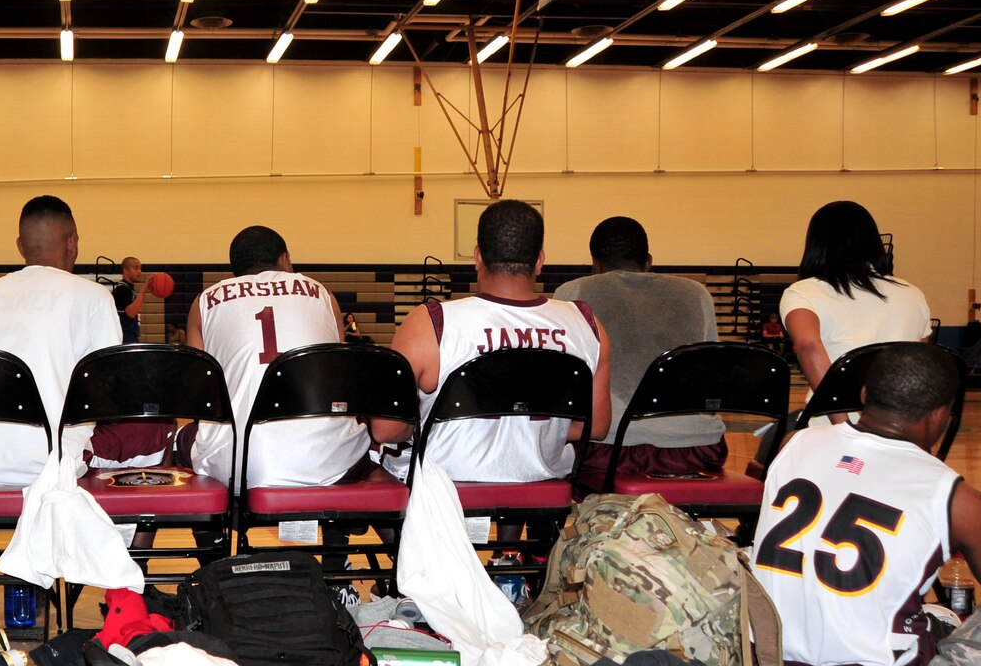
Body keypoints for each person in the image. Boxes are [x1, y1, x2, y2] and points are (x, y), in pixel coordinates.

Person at [751, 343, 981, 666]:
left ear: (864, 396)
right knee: (977, 641)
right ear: (940, 415)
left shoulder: (794, 444)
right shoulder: (964, 504)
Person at [384, 200, 611, 483]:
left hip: (445, 483)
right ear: (539, 261)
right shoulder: (587, 324)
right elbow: (597, 426)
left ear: (477, 257)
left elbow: (386, 429)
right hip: (539, 477)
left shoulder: (430, 322)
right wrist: (526, 429)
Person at [0, 195, 122, 486]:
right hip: (47, 462)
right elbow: (108, 396)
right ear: (73, 242)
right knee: (156, 430)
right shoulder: (94, 296)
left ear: (20, 246)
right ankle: (114, 531)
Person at [179, 226, 369, 490]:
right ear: (284, 259)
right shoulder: (322, 294)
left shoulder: (204, 302)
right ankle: (339, 528)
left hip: (238, 465)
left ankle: (212, 530)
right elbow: (341, 379)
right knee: (368, 442)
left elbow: (198, 397)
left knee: (181, 438)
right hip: (328, 461)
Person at [555, 216, 725, 491]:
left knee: (550, 441)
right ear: (648, 261)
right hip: (696, 447)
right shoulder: (697, 294)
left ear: (595, 265)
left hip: (610, 450)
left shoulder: (574, 293)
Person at [779, 201, 931, 391]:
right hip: (900, 415)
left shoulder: (802, 292)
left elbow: (808, 346)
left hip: (833, 415)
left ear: (816, 244)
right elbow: (919, 362)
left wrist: (839, 418)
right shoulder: (913, 294)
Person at [112, 256, 147, 343]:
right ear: (126, 271)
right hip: (124, 336)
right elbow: (131, 313)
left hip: (130, 335)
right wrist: (144, 290)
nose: (139, 271)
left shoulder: (128, 289)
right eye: (136, 268)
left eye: (140, 268)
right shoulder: (121, 289)